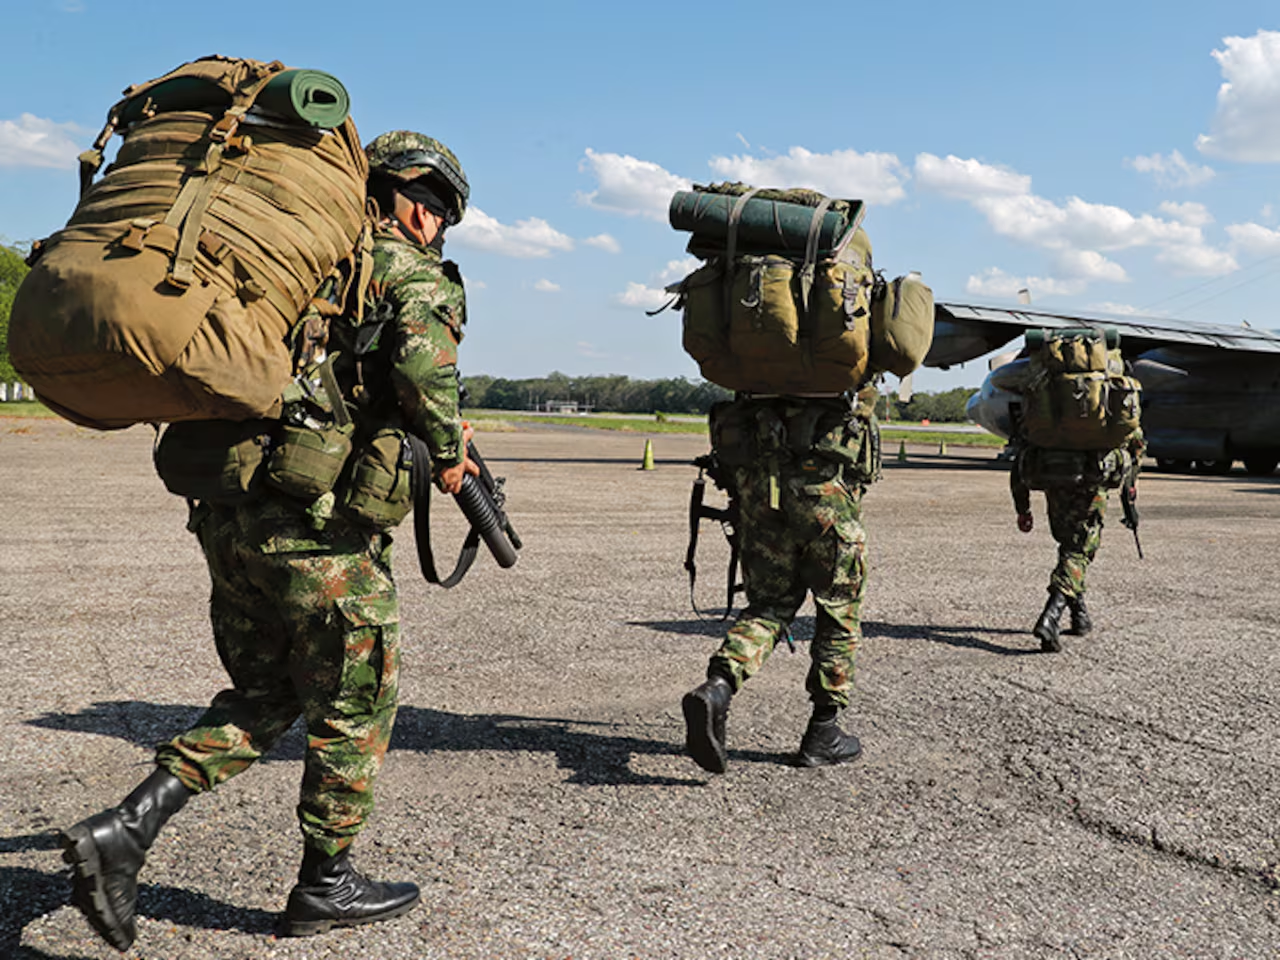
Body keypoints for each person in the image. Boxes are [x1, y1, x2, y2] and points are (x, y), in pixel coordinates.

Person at [59, 130, 478, 951]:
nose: (435, 223)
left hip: (228, 514)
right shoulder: (403, 271)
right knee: (357, 703)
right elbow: (427, 377)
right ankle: (325, 885)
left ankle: (125, 830)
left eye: (443, 214)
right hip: (316, 531)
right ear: (400, 194)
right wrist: (454, 459)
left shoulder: (282, 268)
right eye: (431, 205)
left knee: (266, 696)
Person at [682, 389, 878, 773]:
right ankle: (823, 733)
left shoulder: (757, 352)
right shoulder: (838, 351)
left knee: (768, 606)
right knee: (839, 609)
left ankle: (718, 686)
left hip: (760, 492)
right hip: (824, 497)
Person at [1010, 431, 1145, 652]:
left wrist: (1022, 507)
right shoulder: (1105, 405)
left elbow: (1022, 454)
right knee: (1079, 550)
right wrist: (1131, 481)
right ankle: (1050, 618)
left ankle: (1079, 616)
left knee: (1069, 546)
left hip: (1055, 478)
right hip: (1092, 482)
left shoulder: (1050, 409)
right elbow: (1135, 441)